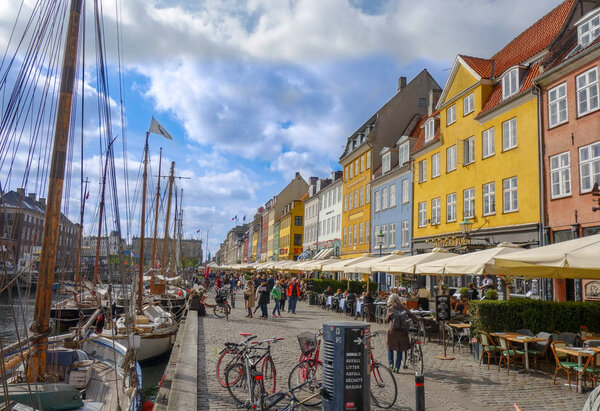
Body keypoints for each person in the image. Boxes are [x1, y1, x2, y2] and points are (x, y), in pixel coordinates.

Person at [385, 293, 418, 372]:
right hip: (402, 331)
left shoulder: (390, 308)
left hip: (392, 331)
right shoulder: (404, 307)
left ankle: (391, 364)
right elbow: (411, 315)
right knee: (400, 349)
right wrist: (417, 320)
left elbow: (386, 319)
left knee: (390, 348)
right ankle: (397, 367)